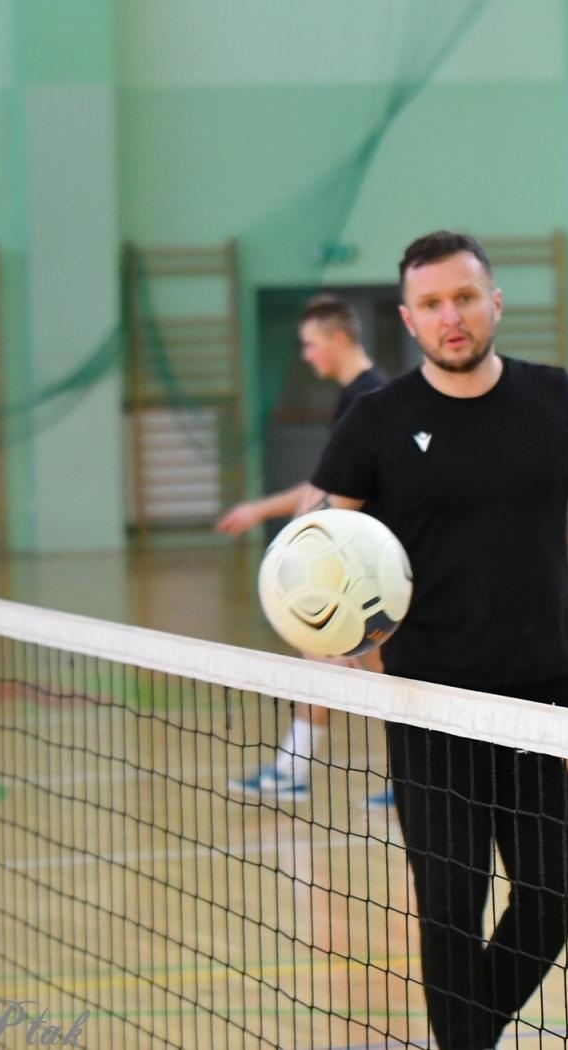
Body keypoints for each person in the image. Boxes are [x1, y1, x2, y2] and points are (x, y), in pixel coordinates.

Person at [309, 230, 568, 1048]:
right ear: (408, 319)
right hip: (431, 701)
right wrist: (350, 652)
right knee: (450, 906)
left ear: (496, 301)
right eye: (433, 303)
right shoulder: (376, 421)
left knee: (561, 881)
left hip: (552, 692)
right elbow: (333, 555)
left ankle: (465, 1037)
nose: (452, 316)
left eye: (466, 297)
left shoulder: (555, 401)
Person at [226, 294, 388, 802]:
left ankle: (416, 779)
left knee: (369, 669)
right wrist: (264, 512)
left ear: (339, 340)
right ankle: (293, 768)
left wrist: (295, 534)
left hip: (370, 563)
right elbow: (324, 482)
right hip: (352, 558)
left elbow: (330, 489)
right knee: (323, 653)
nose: (306, 355)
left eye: (311, 344)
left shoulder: (369, 398)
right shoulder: (352, 396)